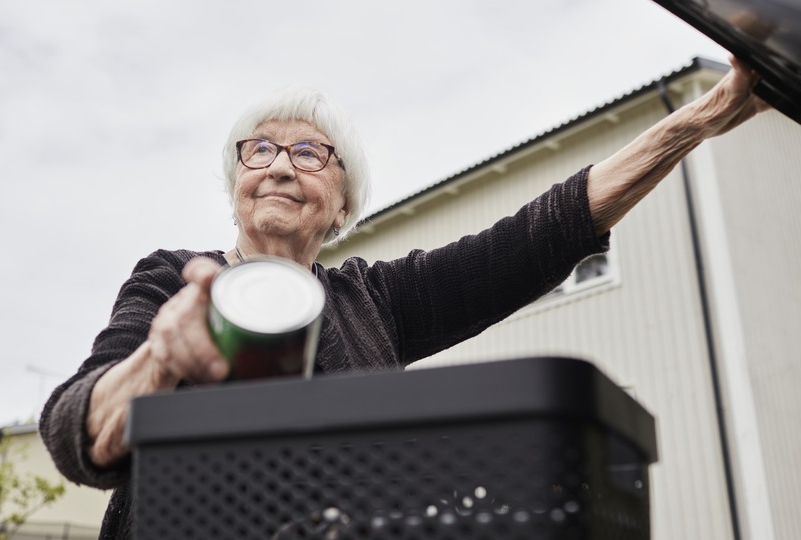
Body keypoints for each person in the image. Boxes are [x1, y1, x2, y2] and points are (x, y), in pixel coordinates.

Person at [39, 57, 769, 539]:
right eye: (258, 149)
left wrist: (693, 124)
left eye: (309, 153)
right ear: (234, 184)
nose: (280, 166)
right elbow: (78, 432)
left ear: (342, 204)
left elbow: (538, 237)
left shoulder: (373, 301)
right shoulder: (172, 282)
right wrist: (158, 362)